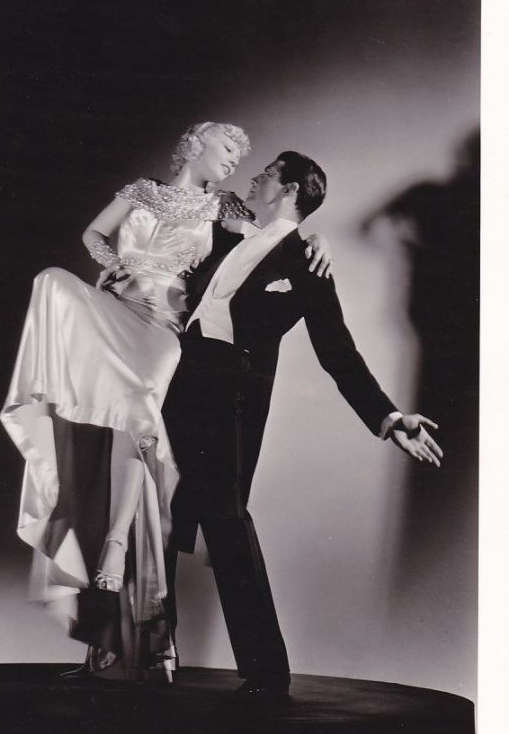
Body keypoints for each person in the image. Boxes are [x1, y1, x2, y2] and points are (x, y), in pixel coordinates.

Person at [0, 123, 332, 681]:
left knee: (137, 410)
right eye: (228, 148)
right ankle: (109, 620)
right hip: (116, 305)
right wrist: (112, 261)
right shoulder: (141, 190)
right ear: (196, 143)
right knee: (52, 282)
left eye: (243, 156)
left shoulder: (225, 207)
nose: (235, 162)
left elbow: (276, 238)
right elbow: (92, 234)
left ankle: (114, 549)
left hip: (164, 326)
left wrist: (319, 239)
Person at [162, 150, 443, 696]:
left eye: (268, 173)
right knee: (159, 511)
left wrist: (388, 417)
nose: (255, 176)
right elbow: (176, 225)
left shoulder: (305, 262)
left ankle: (266, 672)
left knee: (224, 518)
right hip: (177, 380)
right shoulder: (228, 235)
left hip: (228, 395)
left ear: (289, 189)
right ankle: (153, 654)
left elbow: (337, 350)